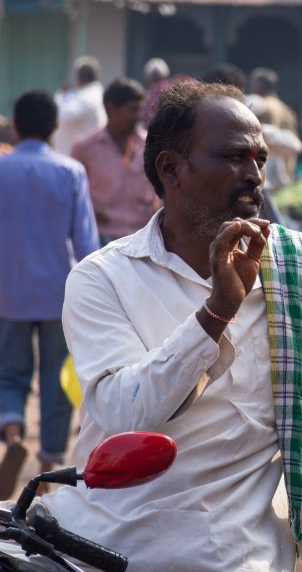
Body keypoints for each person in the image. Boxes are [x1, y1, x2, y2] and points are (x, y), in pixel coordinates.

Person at [40, 81, 302, 571]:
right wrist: (215, 313)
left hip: (251, 548)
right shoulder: (102, 279)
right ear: (171, 169)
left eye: (260, 159)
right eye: (233, 157)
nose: (254, 176)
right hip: (122, 542)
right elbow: (122, 413)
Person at [0, 91, 99, 498]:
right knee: (58, 381)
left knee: (10, 372)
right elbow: (87, 243)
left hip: (7, 293)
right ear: (55, 128)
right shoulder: (70, 172)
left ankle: (11, 429)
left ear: (16, 126)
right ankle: (46, 470)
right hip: (59, 293)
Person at [71, 77, 161, 246]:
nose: (138, 116)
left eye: (140, 110)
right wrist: (89, 209)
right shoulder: (85, 147)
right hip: (100, 239)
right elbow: (71, 196)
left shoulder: (150, 144)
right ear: (110, 108)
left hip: (143, 238)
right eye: (132, 110)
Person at [246, 68, 302, 189]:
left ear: (259, 86)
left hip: (269, 176)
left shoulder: (261, 106)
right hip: (287, 172)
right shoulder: (285, 108)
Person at [52, 55, 107, 157]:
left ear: (80, 77)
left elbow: (63, 115)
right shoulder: (92, 93)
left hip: (77, 157)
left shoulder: (88, 96)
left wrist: (60, 98)